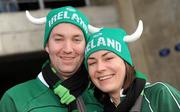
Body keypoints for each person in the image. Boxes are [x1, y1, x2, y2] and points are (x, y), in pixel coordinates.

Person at [0, 6, 103, 112]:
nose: (68, 49)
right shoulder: (16, 99)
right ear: (47, 45)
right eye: (58, 39)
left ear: (85, 47)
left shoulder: (101, 97)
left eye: (76, 40)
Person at [84, 21, 180, 112]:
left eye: (108, 58)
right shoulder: (94, 108)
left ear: (126, 62)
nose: (100, 68)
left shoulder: (159, 95)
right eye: (92, 63)